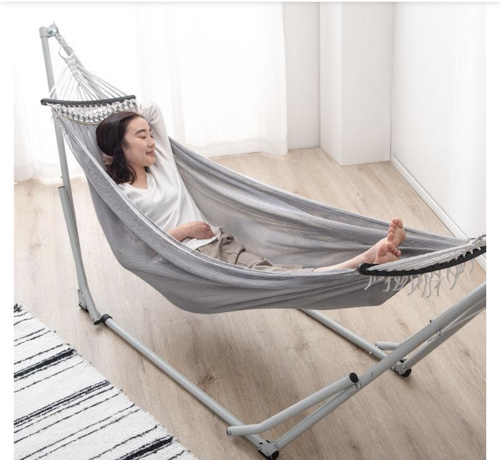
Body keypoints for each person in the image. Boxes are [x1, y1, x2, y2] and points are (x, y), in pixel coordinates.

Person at [96, 104, 405, 273]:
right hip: (193, 260)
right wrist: (186, 230)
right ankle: (365, 259)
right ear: (120, 146)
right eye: (142, 136)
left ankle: (365, 255)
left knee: (280, 261)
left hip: (219, 241)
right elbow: (141, 248)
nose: (151, 141)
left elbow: (152, 111)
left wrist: (129, 120)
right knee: (279, 278)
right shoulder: (124, 195)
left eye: (150, 135)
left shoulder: (161, 166)